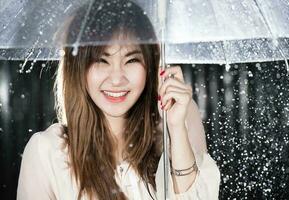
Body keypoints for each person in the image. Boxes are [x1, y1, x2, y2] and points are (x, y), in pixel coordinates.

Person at [17, 0, 220, 199]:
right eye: (101, 60)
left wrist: (176, 130)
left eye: (131, 60)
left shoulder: (180, 118)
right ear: (77, 67)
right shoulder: (47, 153)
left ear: (150, 63)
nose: (116, 79)